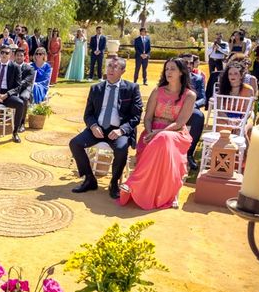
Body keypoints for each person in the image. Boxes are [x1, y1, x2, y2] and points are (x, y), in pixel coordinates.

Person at [120, 58, 196, 210]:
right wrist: (149, 133)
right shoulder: (158, 91)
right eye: (167, 69)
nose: (168, 72)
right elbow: (147, 117)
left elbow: (180, 123)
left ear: (181, 72)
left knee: (164, 138)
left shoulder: (189, 95)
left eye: (172, 69)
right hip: (151, 132)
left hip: (175, 133)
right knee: (160, 139)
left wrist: (159, 133)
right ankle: (140, 187)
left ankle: (132, 183)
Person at [69, 57, 142, 199]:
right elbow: (88, 114)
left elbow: (136, 116)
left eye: (115, 67)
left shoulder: (132, 89)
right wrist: (93, 126)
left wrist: (121, 130)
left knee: (121, 149)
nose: (110, 69)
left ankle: (114, 183)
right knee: (75, 143)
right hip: (98, 129)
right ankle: (90, 179)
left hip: (119, 131)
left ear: (123, 71)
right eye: (109, 66)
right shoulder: (96, 88)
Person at [0, 45, 25, 142]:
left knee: (20, 104)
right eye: (2, 52)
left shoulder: (15, 67)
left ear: (10, 55)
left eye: (6, 53)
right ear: (0, 54)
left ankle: (15, 132)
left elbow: (18, 87)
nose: (4, 55)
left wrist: (6, 95)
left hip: (8, 95)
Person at [179, 54, 205, 170]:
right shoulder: (172, 77)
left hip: (191, 109)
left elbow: (203, 99)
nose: (188, 65)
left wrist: (192, 104)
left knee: (198, 116)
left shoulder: (198, 79)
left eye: (191, 63)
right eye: (185, 62)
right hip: (174, 108)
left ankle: (189, 153)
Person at [15, 47, 35, 132]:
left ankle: (22, 123)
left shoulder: (29, 68)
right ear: (15, 56)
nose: (19, 57)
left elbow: (27, 80)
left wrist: (18, 85)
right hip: (14, 88)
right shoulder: (11, 66)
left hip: (25, 88)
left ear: (24, 57)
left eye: (21, 55)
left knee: (23, 98)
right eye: (17, 55)